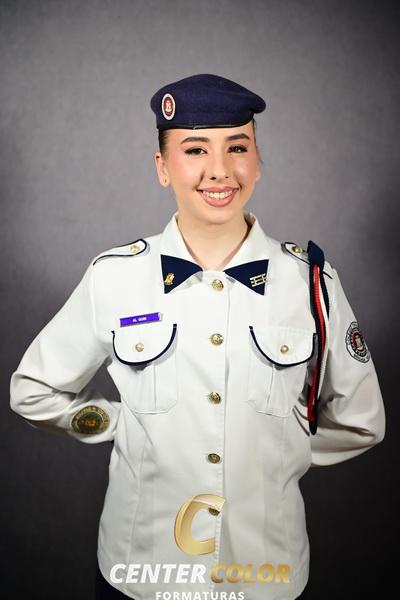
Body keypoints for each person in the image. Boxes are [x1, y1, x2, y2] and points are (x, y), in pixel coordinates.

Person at [9, 73, 385, 600]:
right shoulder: (114, 278)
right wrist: (119, 426)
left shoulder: (311, 283)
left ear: (258, 161)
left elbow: (361, 421)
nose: (220, 169)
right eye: (194, 149)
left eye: (238, 147)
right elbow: (33, 390)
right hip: (141, 574)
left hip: (265, 578)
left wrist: (277, 448)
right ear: (162, 167)